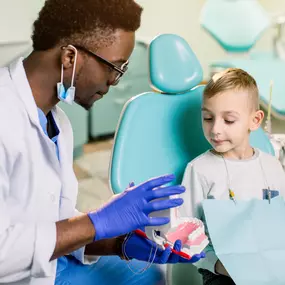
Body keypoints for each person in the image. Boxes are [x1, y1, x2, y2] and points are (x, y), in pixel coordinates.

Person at [0, 1, 204, 285]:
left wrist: (117, 243)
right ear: (70, 57)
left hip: (49, 265)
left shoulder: (57, 122)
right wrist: (96, 222)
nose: (115, 81)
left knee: (148, 278)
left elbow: (48, 219)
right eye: (114, 67)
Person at [178, 68, 285, 285]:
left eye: (228, 120)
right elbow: (185, 235)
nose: (215, 129)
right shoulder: (199, 170)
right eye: (208, 118)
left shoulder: (272, 166)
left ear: (255, 121)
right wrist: (216, 264)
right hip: (221, 272)